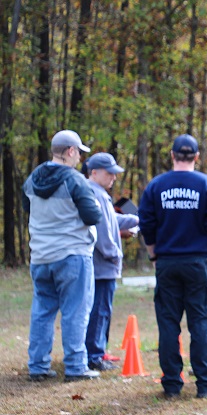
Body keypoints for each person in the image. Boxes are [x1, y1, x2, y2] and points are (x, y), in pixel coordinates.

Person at [138, 134, 207, 399]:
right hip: (197, 262)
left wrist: (154, 256)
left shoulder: (156, 186)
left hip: (167, 262)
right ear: (197, 157)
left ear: (173, 155)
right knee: (200, 324)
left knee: (168, 324)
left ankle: (172, 384)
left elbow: (147, 225)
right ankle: (206, 385)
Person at [22, 130, 102, 382]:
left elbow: (28, 208)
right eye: (79, 152)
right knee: (75, 311)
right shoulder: (75, 181)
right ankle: (76, 366)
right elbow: (92, 217)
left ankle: (37, 366)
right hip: (72, 255)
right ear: (70, 151)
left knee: (42, 311)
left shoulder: (32, 179)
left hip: (41, 256)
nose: (79, 158)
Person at [85, 153, 139, 371]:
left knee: (102, 309)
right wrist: (115, 253)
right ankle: (94, 356)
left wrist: (139, 218)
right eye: (110, 173)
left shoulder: (100, 194)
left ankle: (99, 350)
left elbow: (113, 219)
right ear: (94, 172)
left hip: (104, 264)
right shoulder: (94, 194)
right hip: (102, 265)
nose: (114, 178)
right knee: (99, 309)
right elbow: (102, 232)